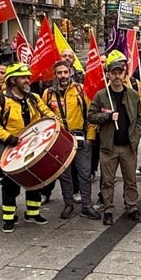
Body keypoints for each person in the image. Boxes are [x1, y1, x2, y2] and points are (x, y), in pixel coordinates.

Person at [0, 63, 55, 232]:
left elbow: (47, 113)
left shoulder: (34, 98)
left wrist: (54, 123)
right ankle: (9, 217)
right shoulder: (0, 99)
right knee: (10, 183)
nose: (27, 80)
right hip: (9, 146)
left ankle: (33, 212)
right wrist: (7, 137)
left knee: (35, 180)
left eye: (27, 77)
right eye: (23, 77)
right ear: (12, 80)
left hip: (32, 145)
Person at [88, 52, 141, 225]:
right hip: (108, 147)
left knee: (130, 179)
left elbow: (140, 118)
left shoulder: (133, 95)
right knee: (107, 181)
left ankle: (132, 206)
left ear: (125, 74)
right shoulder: (101, 95)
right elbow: (91, 116)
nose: (117, 76)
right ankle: (108, 209)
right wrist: (106, 117)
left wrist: (136, 136)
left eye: (120, 72)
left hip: (128, 146)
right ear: (108, 74)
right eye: (114, 73)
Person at [42, 60, 98, 220]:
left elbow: (91, 115)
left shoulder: (80, 90)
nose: (63, 76)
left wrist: (90, 138)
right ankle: (68, 204)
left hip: (80, 137)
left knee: (85, 173)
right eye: (59, 73)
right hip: (60, 141)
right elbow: (43, 115)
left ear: (71, 72)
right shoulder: (48, 94)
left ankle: (87, 205)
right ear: (55, 75)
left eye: (65, 72)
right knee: (65, 175)